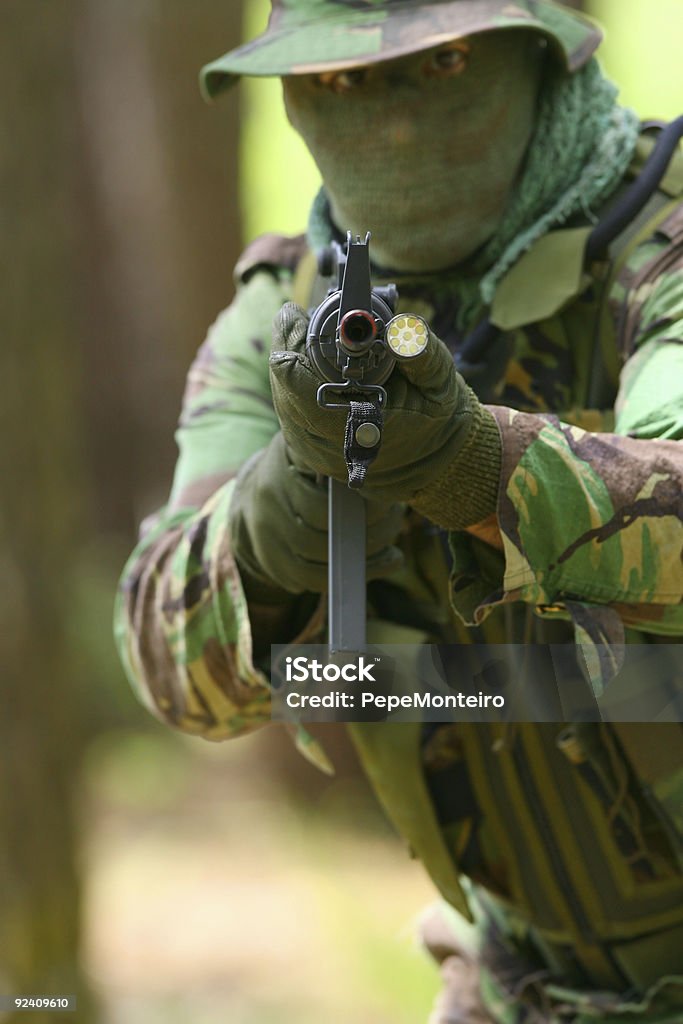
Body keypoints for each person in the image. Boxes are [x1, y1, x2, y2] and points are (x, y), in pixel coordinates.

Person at [115, 1, 683, 1020]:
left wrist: (473, 467)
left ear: (538, 58)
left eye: (443, 63)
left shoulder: (658, 240)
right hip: (527, 980)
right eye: (336, 80)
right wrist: (284, 510)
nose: (392, 119)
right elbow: (171, 665)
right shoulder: (283, 313)